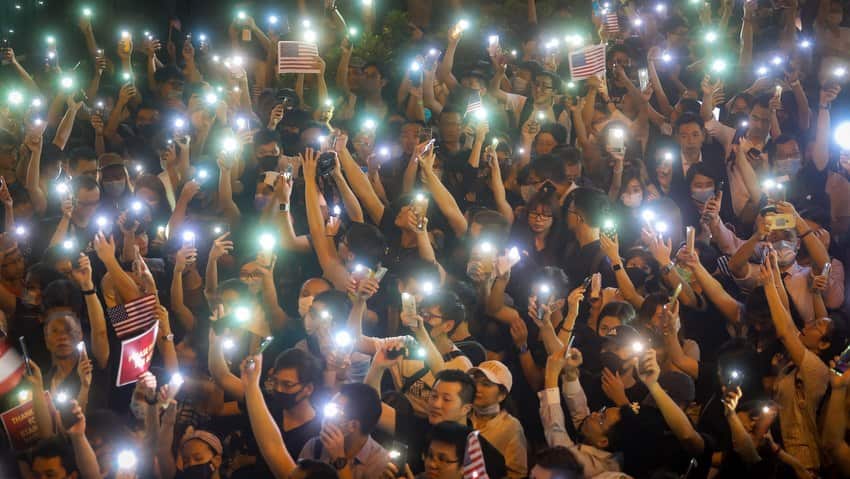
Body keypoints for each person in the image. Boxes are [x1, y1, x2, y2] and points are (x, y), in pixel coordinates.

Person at [299, 383, 389, 478]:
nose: (325, 418)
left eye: (334, 412)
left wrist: (339, 459)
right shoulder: (315, 446)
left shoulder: (380, 464)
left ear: (353, 425)